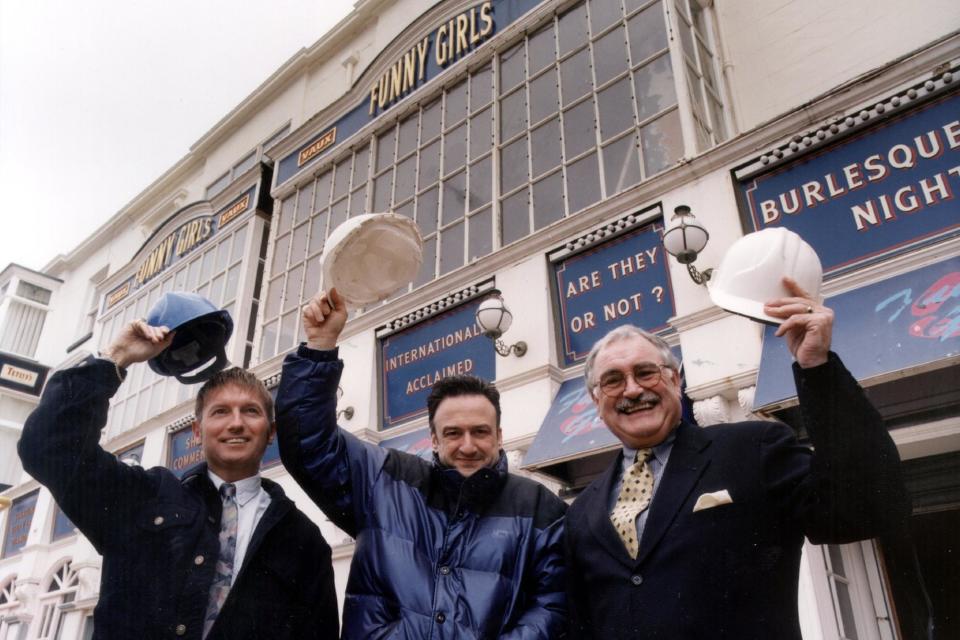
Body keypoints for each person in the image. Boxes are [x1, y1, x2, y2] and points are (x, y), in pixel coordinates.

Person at [564, 278, 910, 639]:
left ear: (674, 379)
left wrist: (817, 368)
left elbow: (868, 509)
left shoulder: (753, 448)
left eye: (645, 372)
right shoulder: (581, 512)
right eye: (613, 380)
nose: (632, 389)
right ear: (596, 402)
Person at [18, 319, 339, 640]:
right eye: (221, 412)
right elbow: (46, 447)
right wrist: (117, 356)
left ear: (270, 433)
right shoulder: (142, 498)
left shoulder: (303, 540)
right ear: (197, 431)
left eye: (251, 411)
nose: (236, 423)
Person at [276, 288, 568, 639]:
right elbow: (309, 445)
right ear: (433, 439)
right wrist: (320, 347)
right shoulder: (383, 482)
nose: (468, 445)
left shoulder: (542, 509)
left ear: (500, 435)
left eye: (480, 431)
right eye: (453, 433)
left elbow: (554, 606)